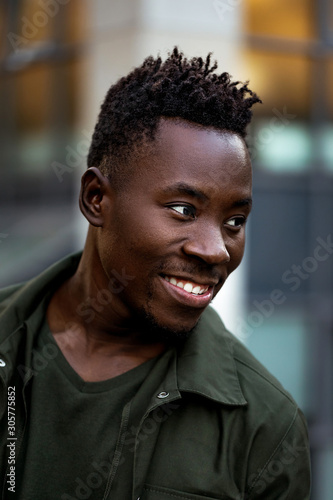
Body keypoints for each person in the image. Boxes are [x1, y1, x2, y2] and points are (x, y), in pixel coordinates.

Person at [0, 47, 310, 499]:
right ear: (96, 199)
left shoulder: (266, 427)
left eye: (234, 222)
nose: (216, 250)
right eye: (184, 209)